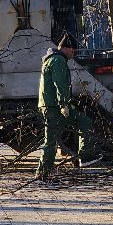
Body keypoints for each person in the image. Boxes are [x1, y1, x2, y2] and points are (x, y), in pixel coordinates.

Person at [35, 32, 99, 180]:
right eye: (72, 50)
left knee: (51, 140)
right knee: (81, 124)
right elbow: (60, 84)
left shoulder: (51, 59)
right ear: (64, 48)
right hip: (54, 107)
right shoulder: (58, 61)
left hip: (50, 106)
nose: (73, 53)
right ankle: (84, 156)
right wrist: (64, 103)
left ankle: (44, 172)